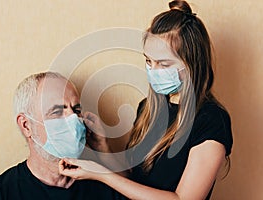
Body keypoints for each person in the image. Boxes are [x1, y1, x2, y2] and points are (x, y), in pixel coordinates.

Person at [58, 1, 233, 200]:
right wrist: (104, 146)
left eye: (164, 63)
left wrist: (101, 174)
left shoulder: (211, 121)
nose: (153, 71)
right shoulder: (148, 108)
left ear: (192, 64)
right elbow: (133, 181)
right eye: (149, 61)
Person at [0, 72, 124, 200]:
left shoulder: (105, 184)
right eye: (57, 112)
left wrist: (104, 149)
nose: (74, 120)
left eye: (76, 110)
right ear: (26, 126)